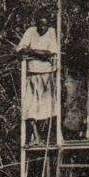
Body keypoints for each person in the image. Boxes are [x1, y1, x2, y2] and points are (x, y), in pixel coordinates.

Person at [15, 10, 60, 144]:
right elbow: (20, 49)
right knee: (30, 108)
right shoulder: (31, 31)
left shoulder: (52, 31)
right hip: (32, 74)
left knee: (49, 108)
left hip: (47, 75)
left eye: (45, 25)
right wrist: (38, 53)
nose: (43, 28)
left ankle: (49, 137)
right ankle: (36, 137)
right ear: (36, 23)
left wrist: (31, 51)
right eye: (40, 25)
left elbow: (50, 53)